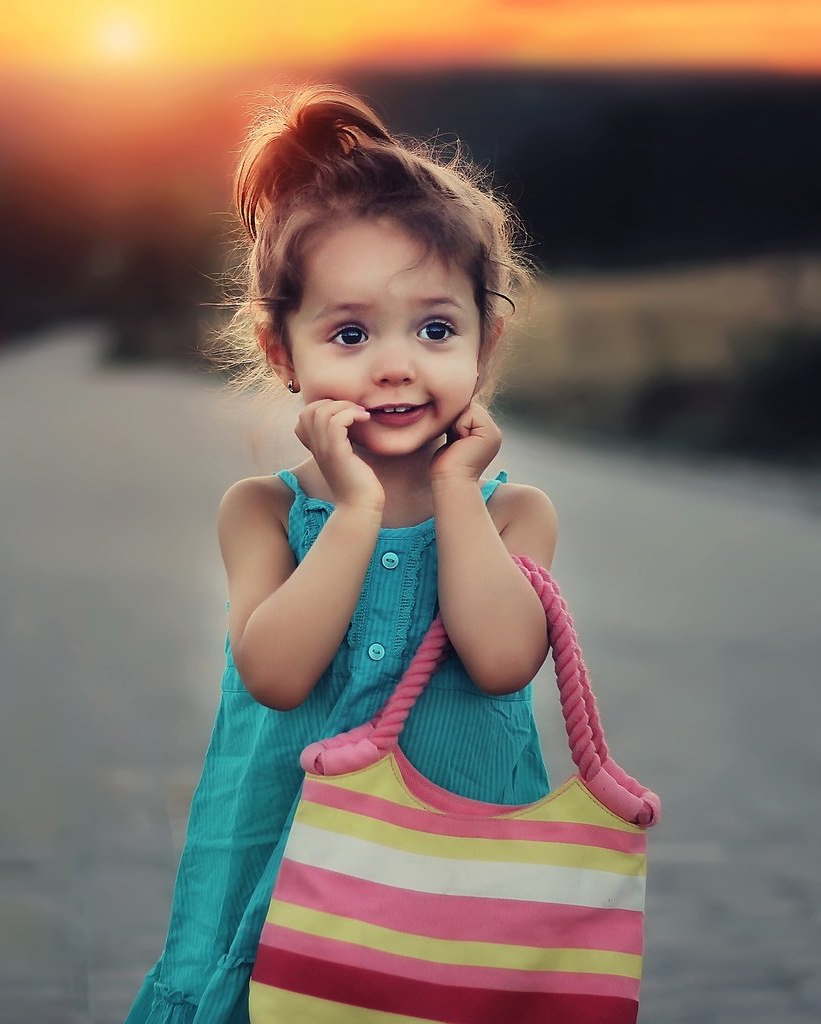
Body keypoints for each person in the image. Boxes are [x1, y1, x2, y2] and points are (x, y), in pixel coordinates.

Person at [125, 84, 559, 1024]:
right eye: (351, 333)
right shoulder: (262, 514)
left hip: (448, 904)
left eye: (436, 329)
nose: (396, 365)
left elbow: (501, 658)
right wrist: (355, 509)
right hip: (278, 890)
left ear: (486, 341)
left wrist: (452, 494)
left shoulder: (514, 514)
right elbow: (276, 673)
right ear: (281, 350)